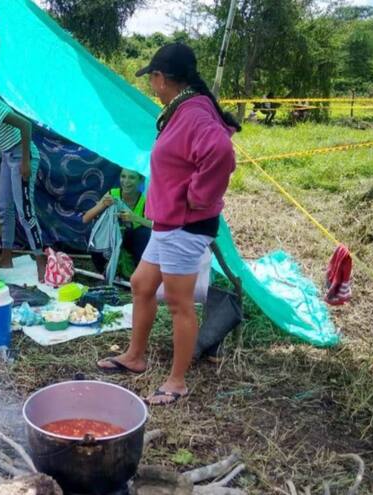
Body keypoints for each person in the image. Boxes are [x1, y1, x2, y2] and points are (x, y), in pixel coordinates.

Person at [96, 43, 239, 406]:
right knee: (143, 284)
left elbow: (221, 153)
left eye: (152, 78)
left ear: (161, 79)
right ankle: (135, 357)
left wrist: (197, 197)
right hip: (168, 221)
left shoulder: (193, 113)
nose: (151, 85)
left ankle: (176, 381)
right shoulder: (187, 107)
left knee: (178, 303)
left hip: (185, 223)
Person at [0, 95, 46, 280]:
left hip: (22, 154)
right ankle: (6, 256)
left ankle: (40, 259)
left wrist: (25, 161)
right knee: (3, 208)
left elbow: (25, 125)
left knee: (25, 212)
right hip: (7, 154)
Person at [82, 168, 152, 279]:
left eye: (132, 177)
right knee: (93, 232)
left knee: (144, 233)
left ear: (141, 180)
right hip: (112, 241)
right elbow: (85, 219)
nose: (126, 181)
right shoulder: (113, 194)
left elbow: (157, 226)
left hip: (132, 244)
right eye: (123, 176)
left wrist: (136, 218)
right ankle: (105, 270)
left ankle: (137, 271)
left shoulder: (145, 201)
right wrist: (102, 205)